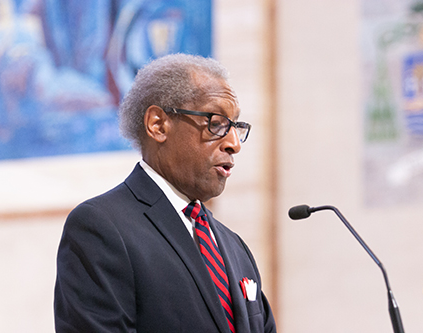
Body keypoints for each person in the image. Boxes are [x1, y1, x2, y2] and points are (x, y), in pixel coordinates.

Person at [54, 53, 277, 332]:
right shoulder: (100, 228)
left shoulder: (234, 246)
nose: (234, 143)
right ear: (158, 124)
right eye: (216, 123)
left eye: (236, 126)